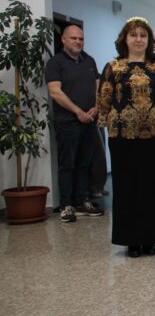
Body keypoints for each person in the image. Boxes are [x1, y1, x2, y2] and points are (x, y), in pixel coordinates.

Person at [97, 17, 155, 257]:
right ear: (125, 39)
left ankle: (149, 238)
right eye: (133, 35)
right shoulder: (113, 67)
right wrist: (103, 123)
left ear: (149, 40)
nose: (138, 39)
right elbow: (104, 98)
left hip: (154, 135)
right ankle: (131, 240)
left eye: (143, 35)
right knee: (126, 186)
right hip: (122, 135)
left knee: (151, 187)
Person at [45, 25, 104, 222]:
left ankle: (81, 202)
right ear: (63, 39)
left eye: (81, 39)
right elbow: (55, 92)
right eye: (73, 38)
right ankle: (66, 206)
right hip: (67, 122)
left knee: (85, 163)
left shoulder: (89, 60)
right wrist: (78, 112)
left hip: (89, 121)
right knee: (67, 165)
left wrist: (96, 108)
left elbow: (98, 88)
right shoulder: (55, 63)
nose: (78, 42)